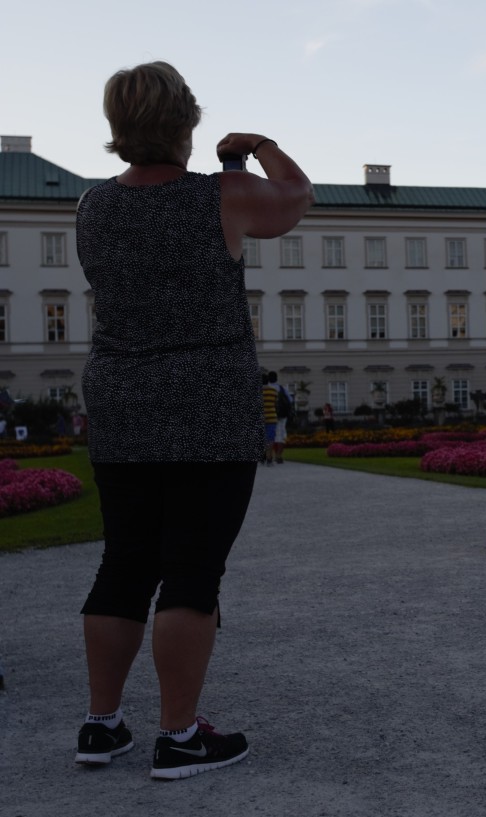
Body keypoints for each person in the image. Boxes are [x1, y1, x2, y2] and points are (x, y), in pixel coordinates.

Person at [74, 61, 313, 780]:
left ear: (118, 127)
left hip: (120, 397)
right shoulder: (222, 194)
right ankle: (178, 735)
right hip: (208, 400)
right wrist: (260, 145)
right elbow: (297, 198)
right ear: (186, 122)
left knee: (123, 562)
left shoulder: (91, 206)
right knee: (191, 570)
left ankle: (101, 723)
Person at [268, 371, 290, 464]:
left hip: (269, 415)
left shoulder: (266, 388)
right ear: (276, 378)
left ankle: (269, 456)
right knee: (281, 435)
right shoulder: (282, 388)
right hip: (282, 415)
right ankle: (279, 456)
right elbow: (290, 400)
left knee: (270, 435)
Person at [262, 373, 279, 466]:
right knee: (270, 438)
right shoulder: (273, 391)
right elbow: (276, 403)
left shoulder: (256, 391)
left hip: (260, 418)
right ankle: (269, 458)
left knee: (261, 438)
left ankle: (263, 455)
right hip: (272, 417)